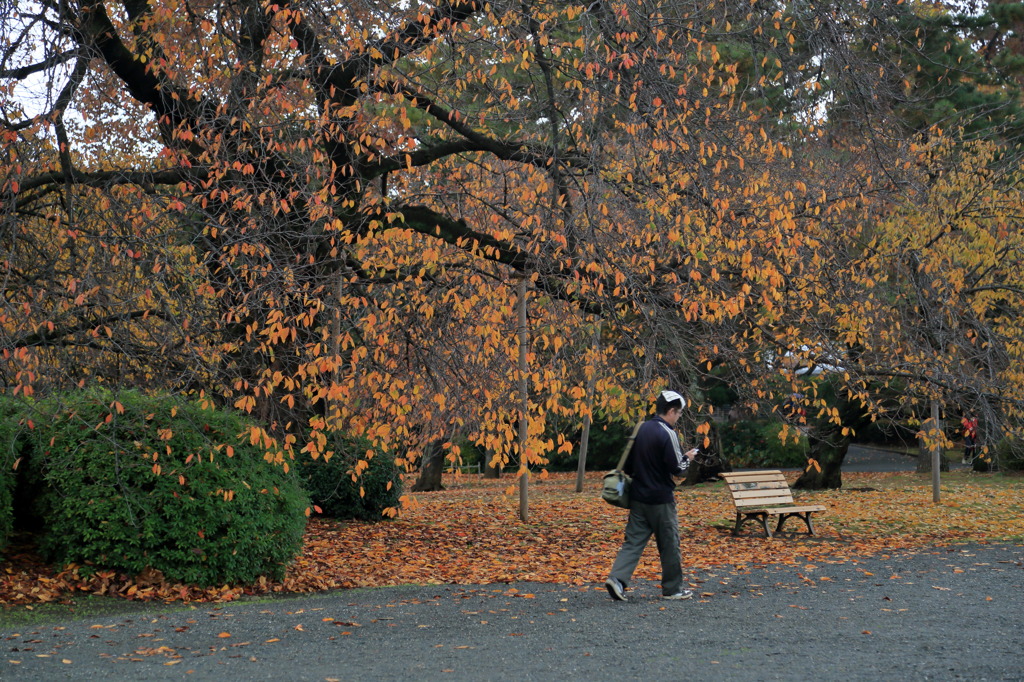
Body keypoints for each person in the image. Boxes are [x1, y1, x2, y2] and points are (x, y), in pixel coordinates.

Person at [605, 390, 698, 602]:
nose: (679, 417)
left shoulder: (642, 428)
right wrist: (688, 457)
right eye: (680, 413)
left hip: (638, 497)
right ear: (672, 411)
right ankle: (673, 589)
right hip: (661, 500)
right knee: (669, 544)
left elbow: (628, 464)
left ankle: (617, 579)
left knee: (633, 542)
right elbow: (677, 468)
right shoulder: (667, 432)